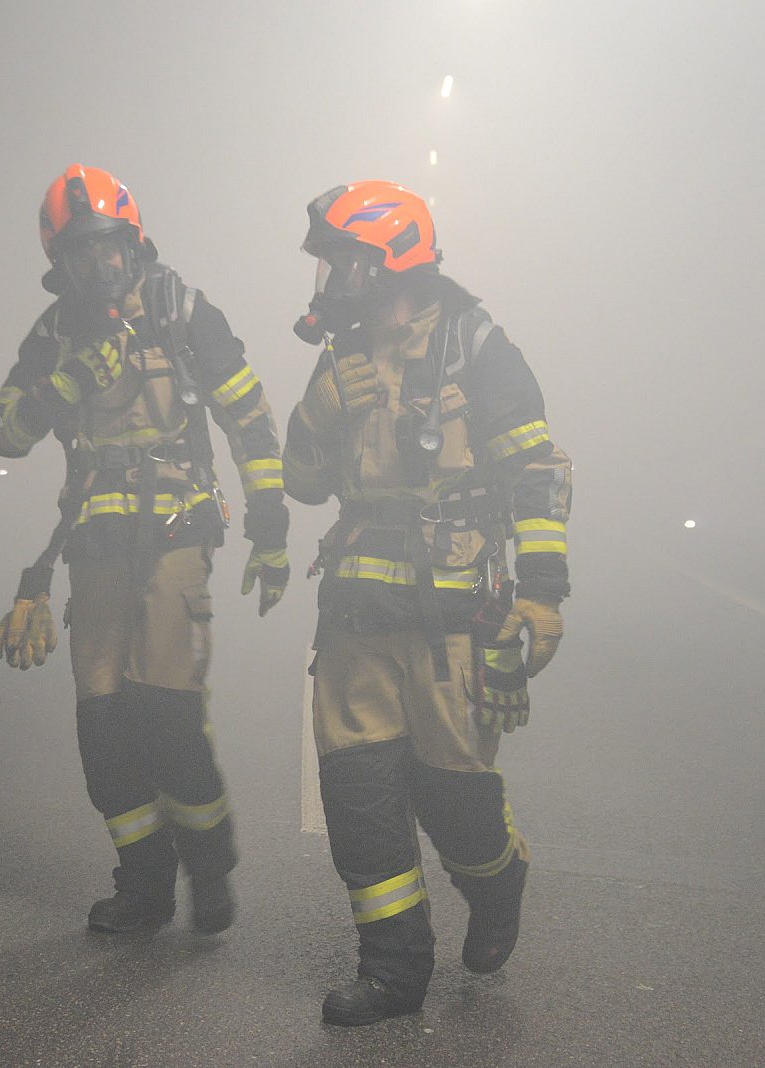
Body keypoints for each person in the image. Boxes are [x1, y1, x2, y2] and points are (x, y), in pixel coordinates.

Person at [282, 181, 572, 1024]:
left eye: (347, 262)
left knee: (455, 799)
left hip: (455, 621)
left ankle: (498, 880)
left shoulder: (476, 346)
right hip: (355, 616)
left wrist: (542, 594)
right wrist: (317, 413)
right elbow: (303, 483)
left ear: (392, 259)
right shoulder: (341, 357)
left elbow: (536, 472)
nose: (334, 280)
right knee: (359, 796)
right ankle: (394, 973)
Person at [0, 164, 290, 936]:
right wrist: (64, 384)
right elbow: (3, 434)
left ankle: (208, 863)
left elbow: (248, 416)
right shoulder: (55, 335)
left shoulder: (183, 311)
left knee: (165, 711)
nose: (99, 264)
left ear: (134, 241)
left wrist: (269, 519)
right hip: (95, 545)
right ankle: (145, 885)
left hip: (179, 530)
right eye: (81, 252)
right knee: (103, 727)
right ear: (60, 263)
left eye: (109, 246)